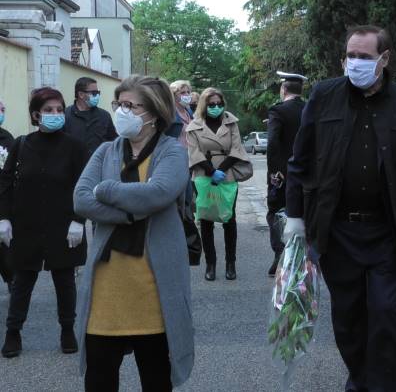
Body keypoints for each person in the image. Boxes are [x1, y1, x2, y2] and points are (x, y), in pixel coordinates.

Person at [284, 25, 396, 392]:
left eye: (364, 57)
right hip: (337, 233)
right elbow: (299, 161)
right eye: (350, 56)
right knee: (348, 321)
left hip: (388, 233)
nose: (355, 63)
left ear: (384, 60)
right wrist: (294, 217)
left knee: (384, 315)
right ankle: (361, 381)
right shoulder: (323, 96)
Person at [73, 75, 193, 391]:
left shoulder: (172, 153)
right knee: (99, 380)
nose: (121, 111)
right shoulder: (105, 152)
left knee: (156, 379)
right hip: (106, 293)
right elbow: (81, 199)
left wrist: (108, 189)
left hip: (153, 292)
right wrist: (131, 211)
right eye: (119, 104)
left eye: (130, 105)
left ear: (153, 113)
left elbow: (159, 192)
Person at [0, 87, 88, 358]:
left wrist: (79, 220)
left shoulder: (75, 146)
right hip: (26, 225)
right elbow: (5, 184)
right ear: (36, 115)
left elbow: (84, 186)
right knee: (22, 280)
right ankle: (13, 332)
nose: (55, 114)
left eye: (59, 110)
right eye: (49, 110)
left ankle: (67, 329)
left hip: (63, 225)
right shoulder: (22, 144)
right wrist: (3, 218)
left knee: (65, 281)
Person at [187, 87, 251, 281]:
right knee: (206, 220)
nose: (216, 107)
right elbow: (194, 152)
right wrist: (211, 171)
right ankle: (211, 265)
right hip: (204, 175)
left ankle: (231, 264)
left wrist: (221, 170)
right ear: (204, 105)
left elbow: (237, 148)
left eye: (219, 104)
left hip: (227, 174)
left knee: (229, 220)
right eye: (212, 104)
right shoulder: (194, 125)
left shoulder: (231, 123)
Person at [265, 71, 307, 276]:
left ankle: (280, 255)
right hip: (307, 174)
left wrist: (275, 171)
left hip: (282, 175)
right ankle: (301, 258)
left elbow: (273, 142)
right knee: (302, 213)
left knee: (275, 213)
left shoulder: (278, 111)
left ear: (283, 89)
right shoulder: (310, 109)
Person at [64, 77, 117, 156]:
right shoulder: (65, 115)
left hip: (98, 166)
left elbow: (113, 142)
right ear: (81, 94)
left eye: (98, 92)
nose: (97, 95)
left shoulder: (104, 116)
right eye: (94, 93)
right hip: (73, 166)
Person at [0, 98, 14, 289]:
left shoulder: (6, 138)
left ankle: (11, 278)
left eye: (3, 109)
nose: (2, 112)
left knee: (5, 246)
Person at [170, 80, 193, 147]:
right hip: (175, 153)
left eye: (188, 92)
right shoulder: (169, 114)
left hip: (191, 153)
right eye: (182, 92)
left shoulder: (189, 112)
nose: (187, 95)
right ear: (173, 96)